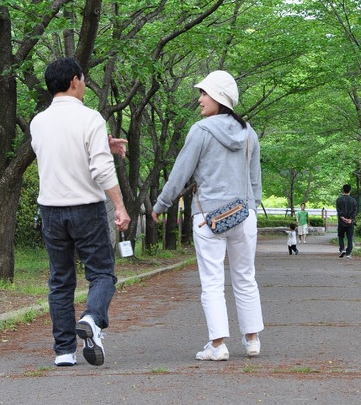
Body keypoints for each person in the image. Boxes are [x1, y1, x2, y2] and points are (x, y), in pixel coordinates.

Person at [151, 70, 263, 361]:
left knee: (212, 282)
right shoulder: (249, 132)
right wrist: (252, 209)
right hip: (244, 215)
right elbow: (255, 180)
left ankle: (218, 345)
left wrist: (161, 205)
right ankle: (252, 340)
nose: (199, 99)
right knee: (245, 277)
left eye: (204, 93)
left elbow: (180, 173)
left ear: (220, 98)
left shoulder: (200, 131)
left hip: (208, 217)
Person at [30, 57, 130, 368]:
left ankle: (63, 351)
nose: (84, 85)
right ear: (75, 80)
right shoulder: (91, 118)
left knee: (61, 281)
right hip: (86, 208)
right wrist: (119, 204)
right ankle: (91, 317)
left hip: (51, 211)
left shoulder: (38, 122)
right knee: (101, 274)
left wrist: (103, 142)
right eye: (83, 80)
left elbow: (59, 153)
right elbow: (100, 168)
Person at [336, 183, 358, 258]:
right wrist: (350, 219)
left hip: (341, 222)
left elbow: (338, 210)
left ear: (343, 190)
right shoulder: (354, 201)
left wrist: (343, 218)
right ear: (350, 190)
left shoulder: (339, 200)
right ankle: (348, 253)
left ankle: (342, 249)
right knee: (349, 237)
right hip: (350, 222)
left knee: (341, 236)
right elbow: (355, 211)